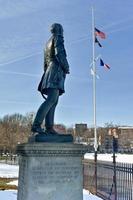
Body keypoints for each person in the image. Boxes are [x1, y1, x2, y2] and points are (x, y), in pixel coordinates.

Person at [31, 23, 70, 134]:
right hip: (55, 71)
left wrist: (47, 73)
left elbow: (45, 63)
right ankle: (36, 125)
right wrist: (66, 66)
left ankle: (49, 127)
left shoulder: (47, 43)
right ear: (59, 30)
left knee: (54, 101)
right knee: (52, 99)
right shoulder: (58, 38)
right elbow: (60, 53)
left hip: (49, 71)